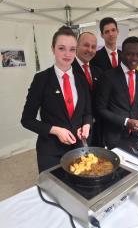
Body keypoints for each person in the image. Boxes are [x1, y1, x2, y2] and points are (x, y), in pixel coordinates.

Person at [21, 26, 92, 173]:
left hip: (78, 148)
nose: (67, 54)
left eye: (72, 49)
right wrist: (56, 130)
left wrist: (86, 124)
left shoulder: (81, 79)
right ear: (53, 49)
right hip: (51, 151)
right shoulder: (41, 79)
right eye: (61, 48)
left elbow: (87, 112)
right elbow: (27, 119)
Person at [95, 36, 138, 149]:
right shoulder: (108, 76)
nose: (135, 58)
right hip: (114, 136)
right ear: (122, 54)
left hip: (135, 134)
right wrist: (126, 121)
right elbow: (100, 109)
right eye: (130, 54)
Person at [72, 32, 103, 146]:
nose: (90, 50)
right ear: (77, 46)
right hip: (78, 130)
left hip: (98, 127)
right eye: (86, 45)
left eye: (93, 47)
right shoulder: (68, 70)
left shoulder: (98, 72)